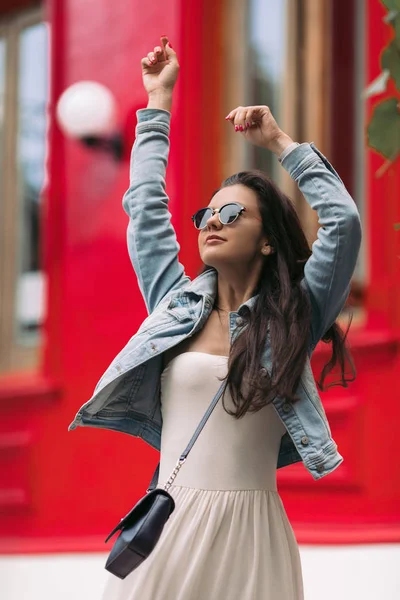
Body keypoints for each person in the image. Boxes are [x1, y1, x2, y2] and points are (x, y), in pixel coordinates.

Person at [69, 36, 362, 599]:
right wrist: (158, 105)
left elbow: (343, 223)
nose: (212, 221)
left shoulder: (296, 314)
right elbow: (145, 208)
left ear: (269, 241)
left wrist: (279, 142)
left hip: (254, 535)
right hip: (168, 523)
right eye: (207, 212)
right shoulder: (174, 306)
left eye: (232, 213)